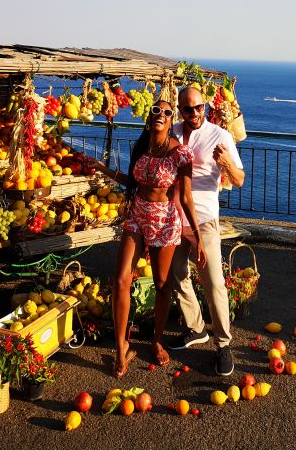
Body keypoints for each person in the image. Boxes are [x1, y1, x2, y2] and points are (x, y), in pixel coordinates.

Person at [95, 99, 206, 378]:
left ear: (171, 121)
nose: (161, 114)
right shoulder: (141, 147)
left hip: (164, 221)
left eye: (167, 112)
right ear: (150, 117)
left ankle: (156, 340)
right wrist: (104, 170)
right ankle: (121, 349)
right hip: (137, 215)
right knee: (121, 279)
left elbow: (187, 197)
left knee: (161, 283)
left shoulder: (181, 154)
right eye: (156, 110)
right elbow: (134, 183)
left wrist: (199, 237)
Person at [168, 86, 245, 376]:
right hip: (175, 219)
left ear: (205, 106)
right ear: (180, 110)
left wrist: (225, 163)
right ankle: (195, 326)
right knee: (175, 273)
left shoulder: (221, 136)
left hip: (204, 220)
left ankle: (223, 345)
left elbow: (239, 180)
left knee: (214, 282)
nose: (195, 113)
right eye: (188, 109)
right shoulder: (173, 132)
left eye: (199, 107)